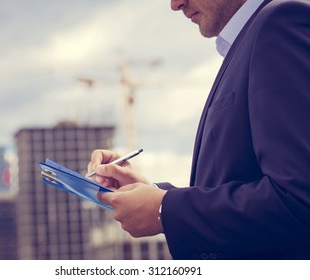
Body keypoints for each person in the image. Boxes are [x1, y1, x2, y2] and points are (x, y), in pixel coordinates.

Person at [86, 0, 310, 259]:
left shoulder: (279, 24)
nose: (175, 4)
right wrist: (154, 194)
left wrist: (164, 210)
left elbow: (298, 199)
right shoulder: (252, 37)